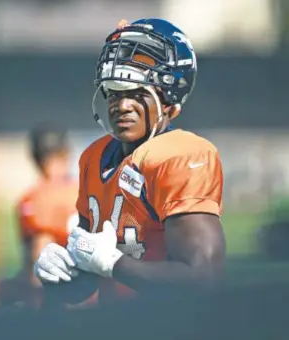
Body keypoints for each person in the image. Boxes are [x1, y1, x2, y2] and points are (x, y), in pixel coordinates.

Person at [34, 18, 226, 306]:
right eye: (115, 92)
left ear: (169, 100)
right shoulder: (94, 158)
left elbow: (204, 277)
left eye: (137, 93)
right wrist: (61, 271)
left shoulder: (180, 156)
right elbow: (88, 278)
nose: (122, 106)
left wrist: (115, 264)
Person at [0, 124, 79, 309]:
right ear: (67, 154)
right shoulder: (90, 191)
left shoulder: (34, 200)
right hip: (97, 294)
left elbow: (40, 259)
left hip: (58, 301)